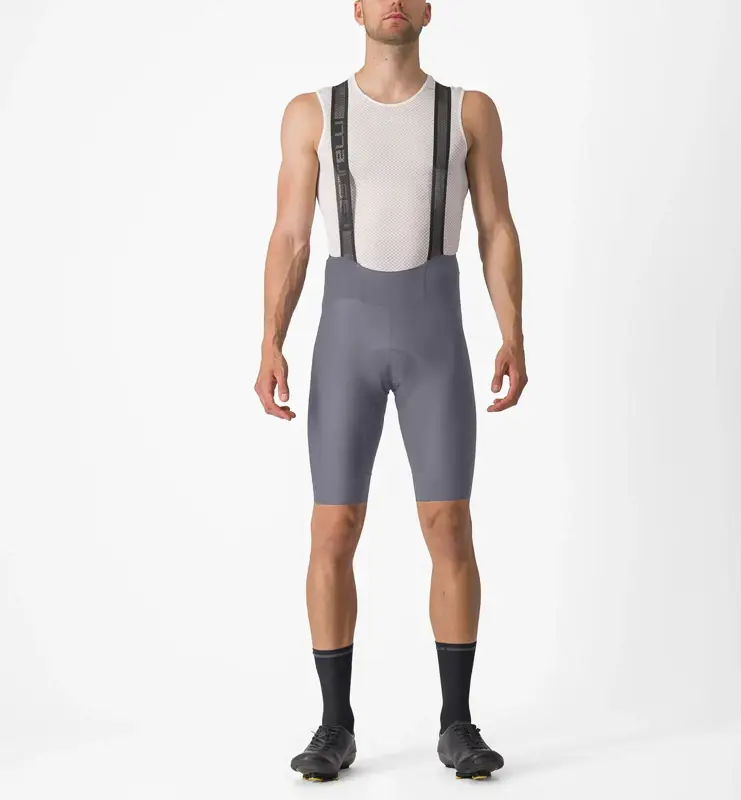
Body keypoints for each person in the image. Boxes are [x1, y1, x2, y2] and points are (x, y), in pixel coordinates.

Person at [254, 0, 527, 782]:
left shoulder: (468, 111)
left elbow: (496, 227)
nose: (394, 3)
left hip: (434, 333)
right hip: (347, 337)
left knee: (449, 525)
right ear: (358, 9)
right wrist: (270, 340)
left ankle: (457, 722)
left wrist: (513, 331)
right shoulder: (313, 112)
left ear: (428, 8)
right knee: (333, 530)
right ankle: (334, 725)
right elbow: (291, 235)